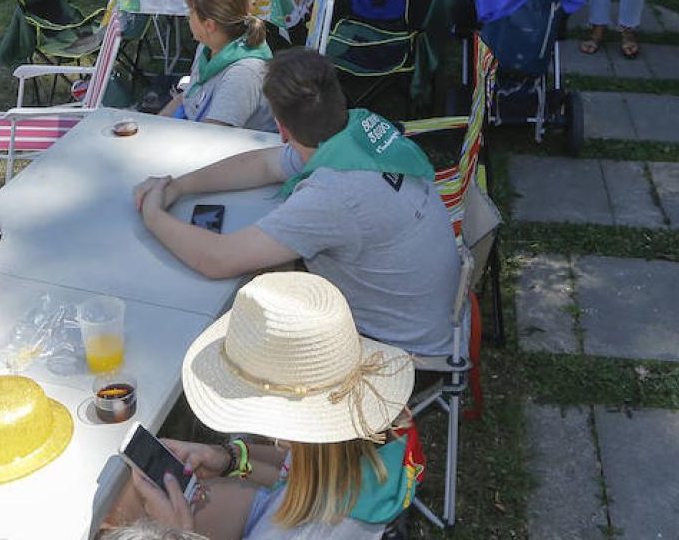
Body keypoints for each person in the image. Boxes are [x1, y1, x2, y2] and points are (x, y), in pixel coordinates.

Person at [132, 48, 460, 357]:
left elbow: (219, 259)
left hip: (401, 351)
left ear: (281, 127)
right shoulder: (355, 131)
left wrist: (154, 215)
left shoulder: (334, 194)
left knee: (247, 320)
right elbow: (264, 165)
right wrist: (180, 186)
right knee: (271, 269)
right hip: (436, 318)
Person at [114, 273, 416, 540]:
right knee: (127, 496)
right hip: (284, 507)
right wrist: (230, 458)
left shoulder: (310, 533)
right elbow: (300, 470)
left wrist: (177, 533)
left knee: (126, 513)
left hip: (285, 519)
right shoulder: (357, 442)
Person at [159, 0, 276, 131]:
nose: (188, 17)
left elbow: (212, 139)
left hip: (229, 148)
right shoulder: (208, 45)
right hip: (194, 130)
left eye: (191, 11)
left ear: (209, 25)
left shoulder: (242, 75)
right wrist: (152, 127)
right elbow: (186, 98)